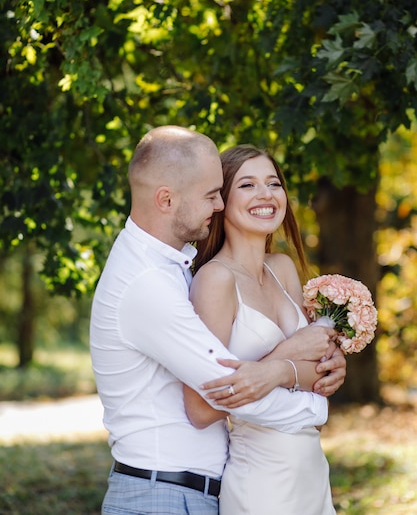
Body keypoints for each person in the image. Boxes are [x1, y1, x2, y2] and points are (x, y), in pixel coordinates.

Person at [90, 126, 345, 515]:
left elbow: (298, 369)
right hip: (165, 494)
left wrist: (320, 365)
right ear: (166, 199)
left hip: (207, 487)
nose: (219, 205)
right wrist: (297, 382)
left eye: (273, 182)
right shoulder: (150, 283)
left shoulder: (174, 267)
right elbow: (214, 395)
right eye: (213, 195)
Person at [184, 144, 339, 515]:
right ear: (221, 200)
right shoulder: (215, 281)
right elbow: (202, 408)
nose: (266, 194)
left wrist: (330, 369)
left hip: (311, 472)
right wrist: (286, 361)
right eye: (248, 185)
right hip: (262, 483)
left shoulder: (283, 268)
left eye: (273, 183)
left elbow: (315, 372)